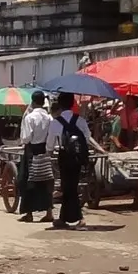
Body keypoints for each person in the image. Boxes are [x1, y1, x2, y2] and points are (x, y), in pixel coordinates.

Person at [17, 91, 58, 223]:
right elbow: (52, 136)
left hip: (32, 150)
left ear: (33, 102)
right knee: (46, 179)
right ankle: (49, 212)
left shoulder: (30, 117)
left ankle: (29, 213)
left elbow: (26, 138)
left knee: (28, 180)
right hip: (45, 150)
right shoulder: (49, 118)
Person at [52, 91, 91, 228]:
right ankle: (63, 218)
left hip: (64, 156)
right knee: (70, 186)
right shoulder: (80, 120)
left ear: (59, 104)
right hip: (77, 157)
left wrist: (50, 151)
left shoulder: (55, 122)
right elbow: (87, 137)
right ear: (72, 103)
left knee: (68, 187)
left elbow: (50, 143)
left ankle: (80, 218)